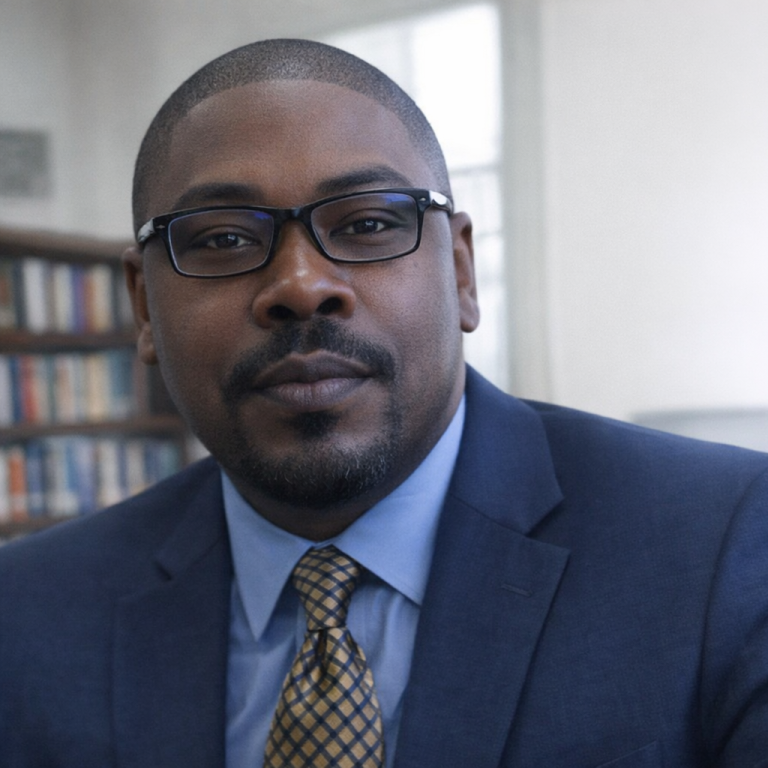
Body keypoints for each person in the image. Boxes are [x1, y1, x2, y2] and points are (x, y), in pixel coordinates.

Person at [1, 38, 768, 768]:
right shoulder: (28, 615)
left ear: (461, 272)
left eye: (368, 224)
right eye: (225, 240)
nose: (302, 286)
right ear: (143, 307)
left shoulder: (723, 545)